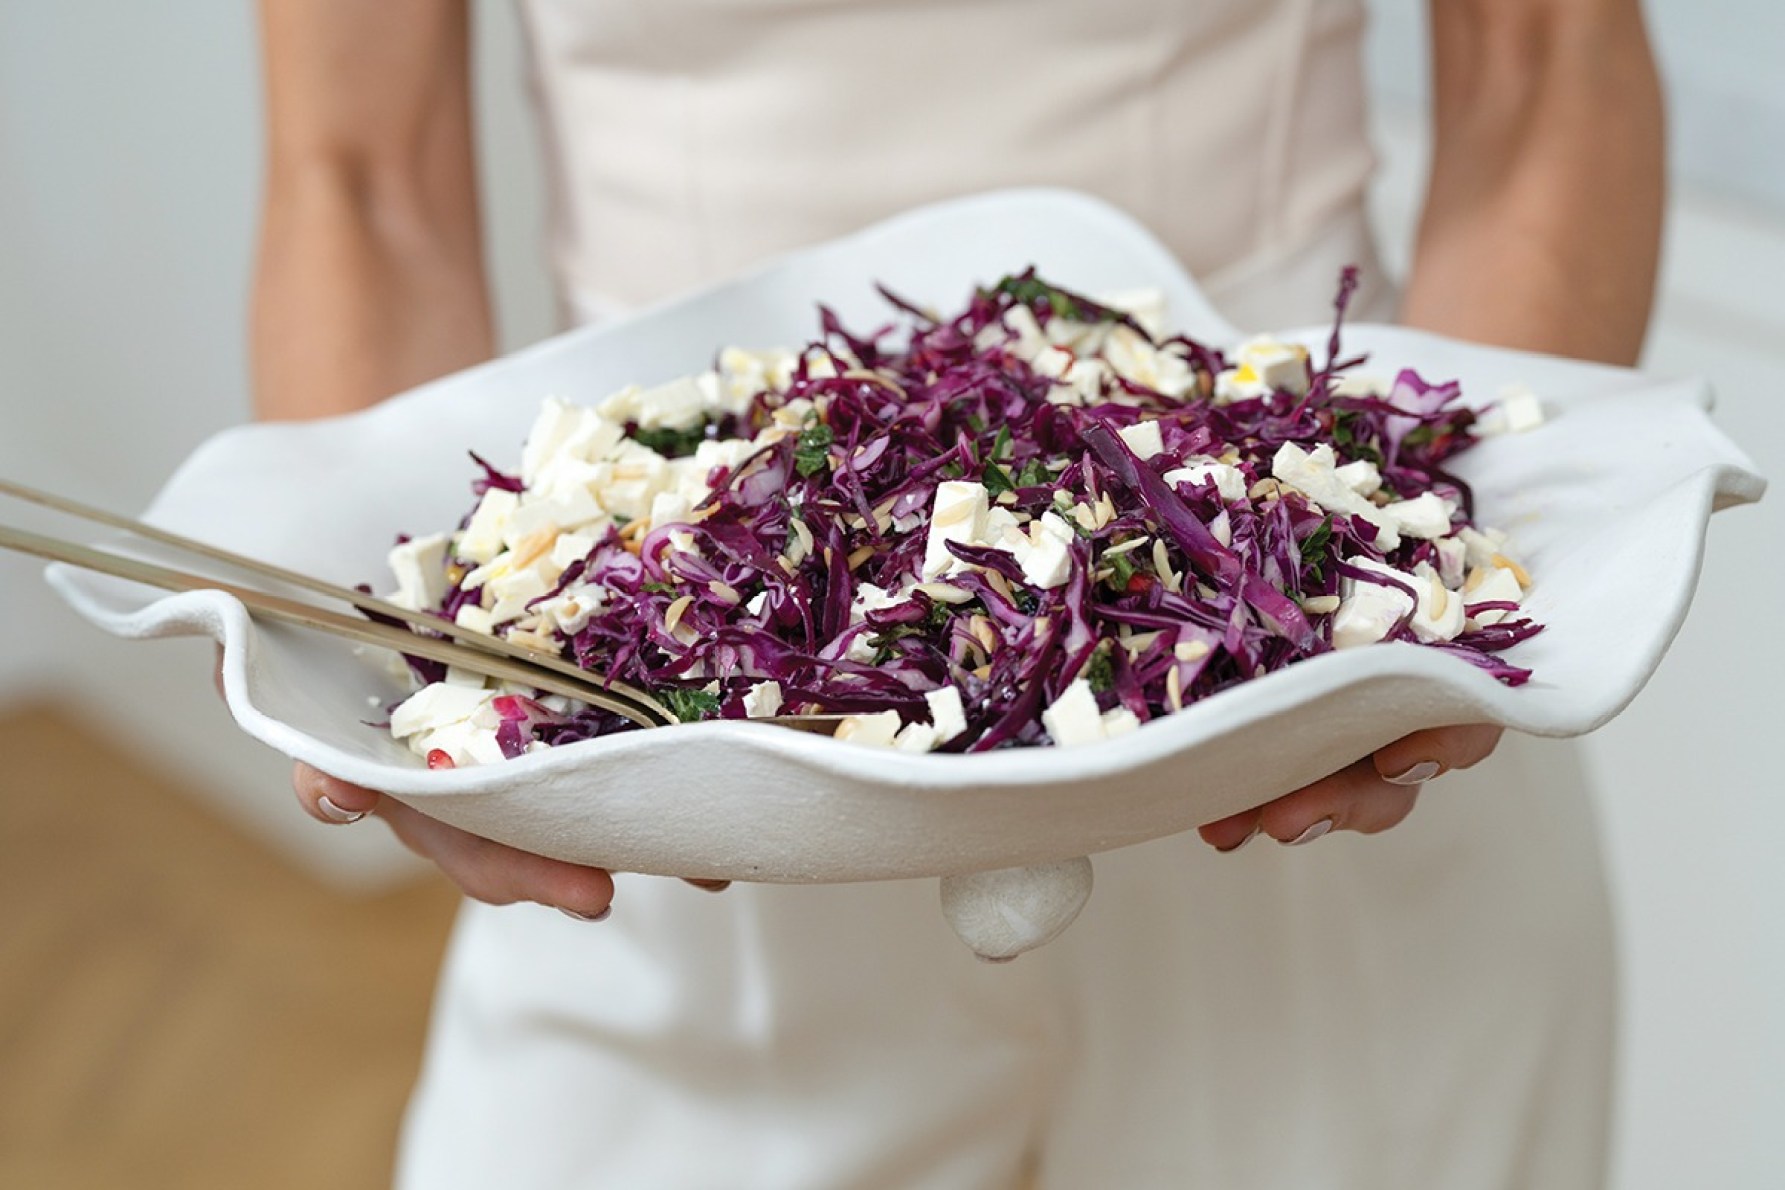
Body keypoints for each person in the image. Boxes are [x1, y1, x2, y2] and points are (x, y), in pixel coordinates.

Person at [253, 1, 1662, 1185]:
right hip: (663, 736)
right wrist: (393, 655)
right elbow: (361, 175)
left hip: (1299, 678)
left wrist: (1438, 584)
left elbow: (1542, 63)